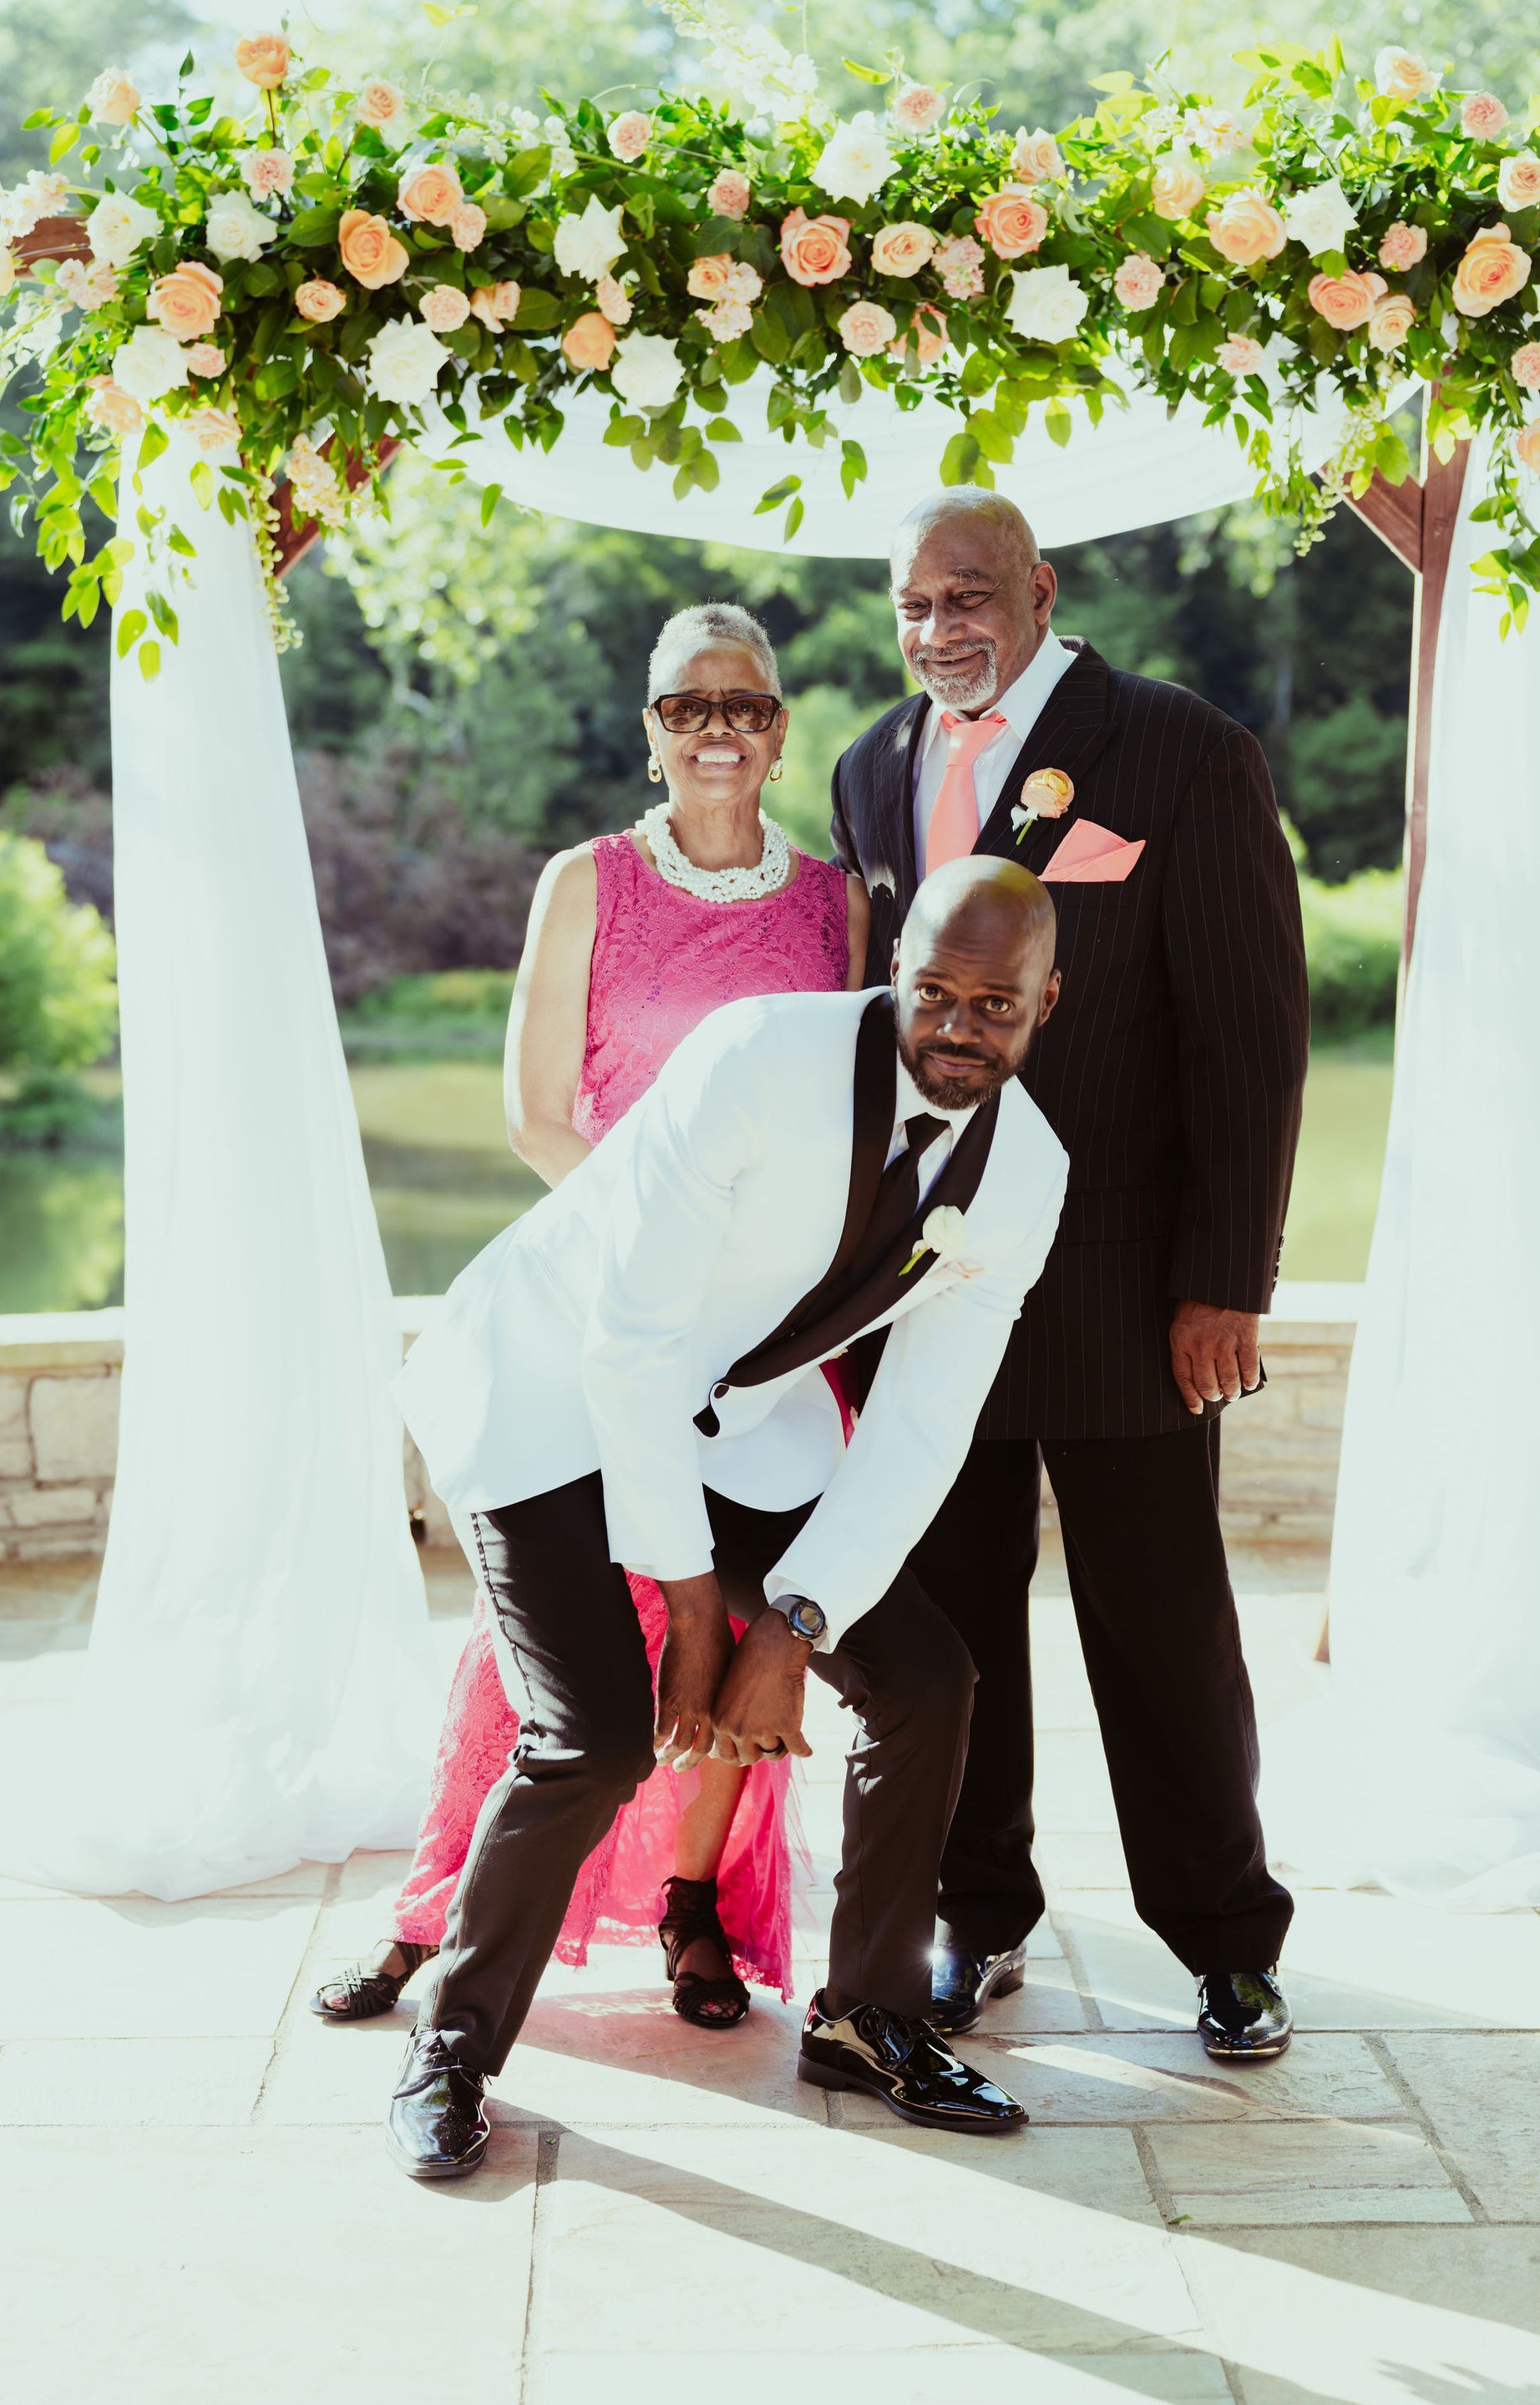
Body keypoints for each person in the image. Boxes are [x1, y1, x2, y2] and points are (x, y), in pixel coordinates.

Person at [385, 858, 1069, 2176]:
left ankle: (867, 2016)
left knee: (927, 1674)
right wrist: (697, 1605)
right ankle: (454, 2047)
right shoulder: (757, 1058)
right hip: (544, 1382)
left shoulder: (1026, 1173)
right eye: (933, 993)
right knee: (589, 1741)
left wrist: (796, 1622)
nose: (958, 1029)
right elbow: (627, 1345)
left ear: (1050, 1000)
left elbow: (926, 1422)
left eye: (996, 1005)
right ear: (895, 979)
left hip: (732, 1418)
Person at [309, 603, 869, 2035]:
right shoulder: (590, 881)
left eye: (745, 705)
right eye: (689, 707)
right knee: (555, 1637)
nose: (719, 732)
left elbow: (846, 1123)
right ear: (651, 728)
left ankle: (695, 1906)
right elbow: (535, 1114)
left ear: (781, 726)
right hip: (600, 1303)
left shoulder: (833, 903)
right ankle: (446, 1914)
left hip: (761, 1340)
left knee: (744, 1618)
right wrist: (658, 1250)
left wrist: (756, 1286)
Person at [831, 489, 1309, 2063]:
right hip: (931, 1293)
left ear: (1036, 590)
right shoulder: (869, 770)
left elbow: (1251, 1042)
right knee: (956, 1627)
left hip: (1126, 1289)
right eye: (912, 602)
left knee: (1162, 1627)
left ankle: (1226, 1940)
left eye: (967, 593)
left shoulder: (1185, 751)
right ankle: (979, 1916)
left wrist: (1225, 1276)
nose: (938, 626)